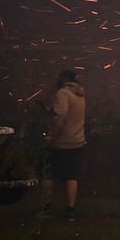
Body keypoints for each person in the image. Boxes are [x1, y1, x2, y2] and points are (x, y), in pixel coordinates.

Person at [44, 68, 87, 221]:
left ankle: (47, 208)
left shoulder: (63, 93)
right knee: (72, 176)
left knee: (48, 174)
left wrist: (51, 135)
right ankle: (70, 210)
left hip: (61, 142)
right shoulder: (80, 94)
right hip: (77, 141)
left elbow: (60, 116)